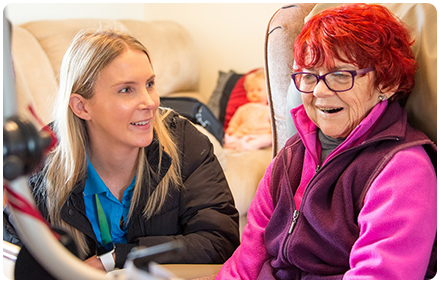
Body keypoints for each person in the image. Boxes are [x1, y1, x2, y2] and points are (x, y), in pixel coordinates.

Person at [216, 3, 436, 280]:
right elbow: (245, 262)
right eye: (309, 76)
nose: (319, 91)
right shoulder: (289, 158)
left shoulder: (402, 168)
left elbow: (380, 275)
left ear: (387, 84)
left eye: (340, 75)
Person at [5, 26, 240, 272]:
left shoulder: (184, 141)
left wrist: (114, 259)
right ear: (81, 107)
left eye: (150, 84)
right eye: (126, 90)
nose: (150, 103)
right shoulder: (40, 160)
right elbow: (15, 253)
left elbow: (220, 241)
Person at [224, 69, 272, 151]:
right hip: (242, 134)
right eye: (251, 90)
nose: (254, 93)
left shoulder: (269, 110)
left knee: (268, 139)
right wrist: (231, 130)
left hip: (260, 135)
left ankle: (247, 146)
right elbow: (235, 122)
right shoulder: (243, 108)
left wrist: (271, 135)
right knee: (228, 139)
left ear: (268, 92)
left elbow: (273, 127)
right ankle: (239, 144)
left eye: (259, 90)